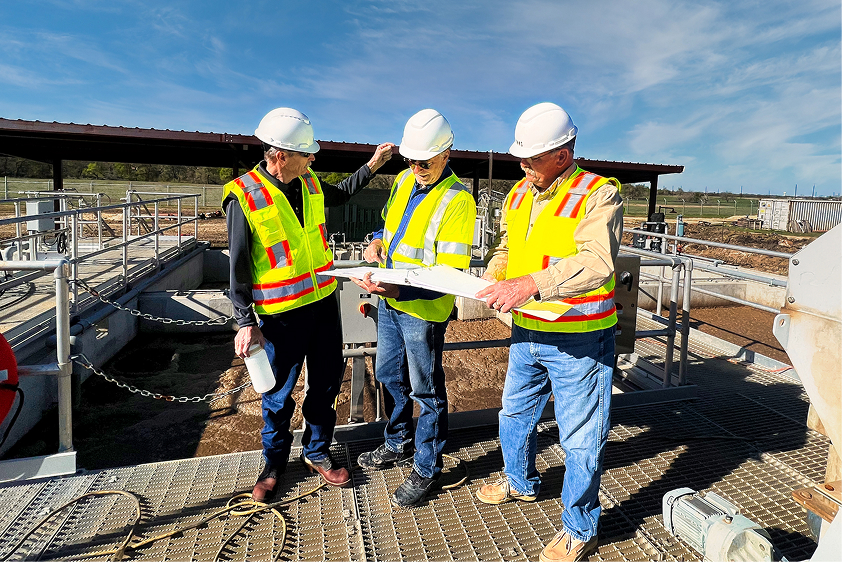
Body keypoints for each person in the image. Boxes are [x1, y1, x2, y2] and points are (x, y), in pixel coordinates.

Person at [475, 102, 623, 562]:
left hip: (580, 339)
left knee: (580, 436)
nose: (523, 165)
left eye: (532, 157)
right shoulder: (520, 193)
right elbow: (507, 246)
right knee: (514, 414)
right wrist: (495, 274)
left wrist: (531, 284)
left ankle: (581, 528)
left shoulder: (598, 195)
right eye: (520, 157)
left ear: (563, 153)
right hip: (527, 331)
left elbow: (598, 262)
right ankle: (519, 481)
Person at [223, 107, 394, 501]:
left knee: (326, 382)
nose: (313, 158)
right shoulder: (243, 196)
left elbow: (344, 190)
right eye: (306, 153)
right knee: (278, 393)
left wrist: (372, 164)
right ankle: (274, 463)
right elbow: (238, 267)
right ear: (280, 155)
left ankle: (316, 451)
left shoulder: (311, 183)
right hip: (279, 316)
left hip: (322, 306)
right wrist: (245, 321)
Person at [351, 109, 477, 507]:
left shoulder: (459, 201)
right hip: (389, 300)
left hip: (423, 311)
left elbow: (449, 274)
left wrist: (397, 288)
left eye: (425, 160)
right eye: (411, 160)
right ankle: (398, 441)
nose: (417, 167)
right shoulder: (405, 179)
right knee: (388, 373)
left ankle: (427, 467)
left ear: (446, 153)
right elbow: (391, 227)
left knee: (426, 389)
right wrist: (374, 243)